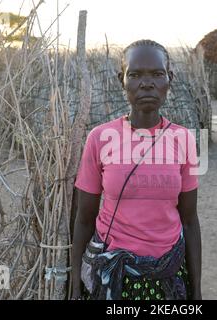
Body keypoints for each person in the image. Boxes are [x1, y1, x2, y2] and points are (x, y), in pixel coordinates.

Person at [71, 39, 202, 300]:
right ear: (122, 80)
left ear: (169, 79)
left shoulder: (183, 139)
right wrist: (75, 280)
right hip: (113, 276)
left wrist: (196, 289)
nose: (146, 83)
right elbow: (84, 218)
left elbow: (189, 219)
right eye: (135, 75)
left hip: (169, 274)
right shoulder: (100, 138)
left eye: (157, 74)